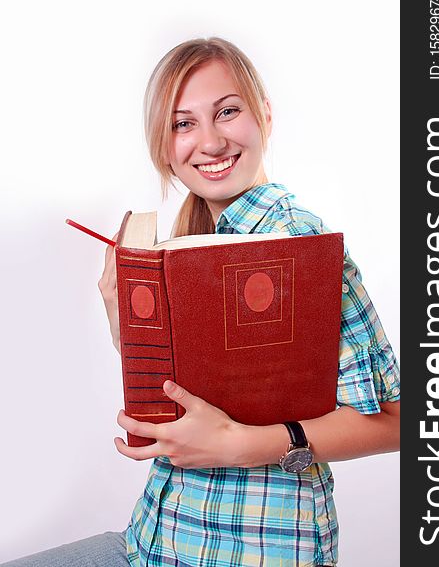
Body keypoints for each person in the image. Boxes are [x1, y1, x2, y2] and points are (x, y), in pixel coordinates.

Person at [2, 37, 400, 566]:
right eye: (183, 123)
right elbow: (188, 395)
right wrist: (118, 314)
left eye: (227, 112)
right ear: (163, 143)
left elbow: (401, 421)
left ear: (264, 115)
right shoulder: (188, 243)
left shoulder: (300, 244)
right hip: (151, 541)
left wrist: (240, 446)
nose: (209, 143)